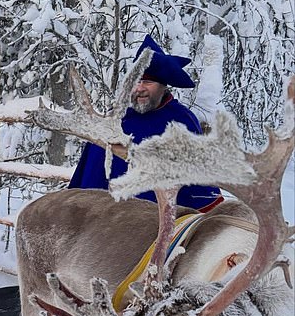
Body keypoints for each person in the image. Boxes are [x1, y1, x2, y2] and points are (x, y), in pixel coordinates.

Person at [69, 34, 222, 211]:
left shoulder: (181, 122)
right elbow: (88, 175)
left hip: (155, 229)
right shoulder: (116, 120)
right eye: (136, 81)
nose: (140, 88)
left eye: (148, 82)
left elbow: (200, 188)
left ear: (164, 85)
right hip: (102, 224)